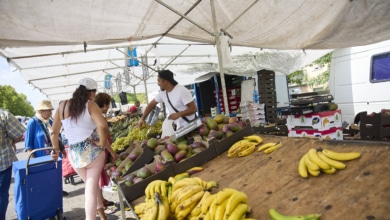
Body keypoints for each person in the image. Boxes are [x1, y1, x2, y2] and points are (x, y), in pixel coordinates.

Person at [50, 77, 109, 220]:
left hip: (74, 154)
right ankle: (91, 218)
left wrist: (56, 150)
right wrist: (101, 144)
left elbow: (53, 132)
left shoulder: (62, 106)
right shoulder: (90, 105)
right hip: (92, 152)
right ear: (92, 92)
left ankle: (102, 215)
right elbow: (102, 126)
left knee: (92, 186)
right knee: (91, 189)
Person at [93, 92, 119, 215]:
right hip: (99, 151)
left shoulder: (96, 115)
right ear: (104, 104)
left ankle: (102, 201)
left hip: (100, 152)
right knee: (97, 181)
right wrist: (113, 152)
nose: (108, 107)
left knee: (98, 179)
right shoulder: (97, 116)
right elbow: (101, 138)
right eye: (108, 105)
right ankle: (100, 208)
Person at [0, 108, 25, 220]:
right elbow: (19, 134)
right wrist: (10, 142)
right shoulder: (3, 115)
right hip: (2, 161)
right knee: (1, 194)